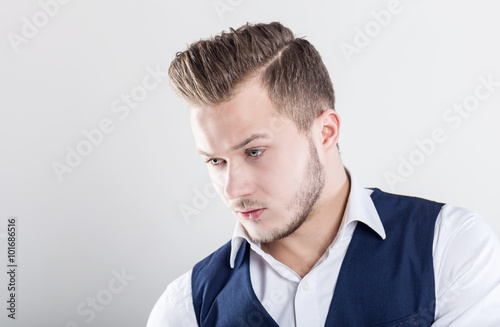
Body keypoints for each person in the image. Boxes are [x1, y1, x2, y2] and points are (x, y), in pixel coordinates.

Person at [147, 22, 500, 326]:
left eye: (254, 151)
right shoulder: (185, 309)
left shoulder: (450, 248)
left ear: (325, 132)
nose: (233, 188)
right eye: (215, 162)